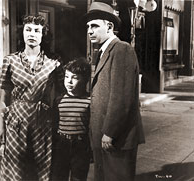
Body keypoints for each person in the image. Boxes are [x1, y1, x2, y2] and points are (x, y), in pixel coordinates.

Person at [0, 14, 64, 181]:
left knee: (41, 168)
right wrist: (0, 128)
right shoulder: (10, 61)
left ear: (43, 35)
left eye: (37, 31)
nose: (32, 34)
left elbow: (62, 94)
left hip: (43, 122)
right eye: (28, 30)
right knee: (16, 169)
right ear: (23, 33)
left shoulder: (54, 62)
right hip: (16, 122)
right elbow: (4, 98)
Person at [84, 2, 145, 181]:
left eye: (94, 26)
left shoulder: (122, 49)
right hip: (104, 135)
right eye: (88, 26)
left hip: (117, 137)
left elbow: (122, 97)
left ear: (109, 26)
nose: (89, 31)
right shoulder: (103, 51)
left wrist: (110, 132)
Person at [51, 58, 91, 181]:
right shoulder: (59, 100)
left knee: (78, 177)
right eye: (67, 77)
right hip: (61, 144)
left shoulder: (89, 101)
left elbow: (91, 126)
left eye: (75, 78)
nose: (69, 81)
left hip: (81, 144)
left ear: (84, 80)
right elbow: (54, 124)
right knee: (58, 176)